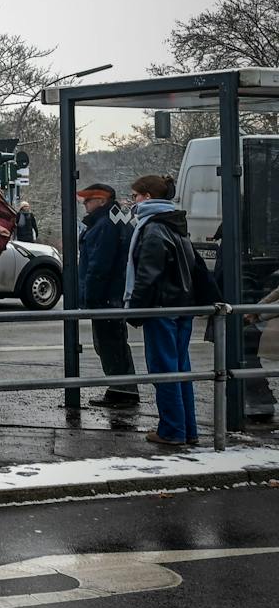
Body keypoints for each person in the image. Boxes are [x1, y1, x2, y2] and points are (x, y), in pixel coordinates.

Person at [126, 174, 201, 448]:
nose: (132, 202)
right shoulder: (175, 224)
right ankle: (187, 429)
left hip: (162, 308)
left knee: (164, 370)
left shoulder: (153, 228)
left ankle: (171, 430)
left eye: (134, 196)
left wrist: (134, 310)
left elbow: (147, 274)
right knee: (181, 369)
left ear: (146, 197)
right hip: (182, 306)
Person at [77, 182, 140, 407]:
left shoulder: (104, 225)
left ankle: (123, 392)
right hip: (112, 295)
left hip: (106, 297)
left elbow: (98, 266)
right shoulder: (113, 220)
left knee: (109, 343)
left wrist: (90, 298)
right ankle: (121, 390)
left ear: (102, 201)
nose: (84, 204)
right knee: (113, 343)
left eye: (88, 200)